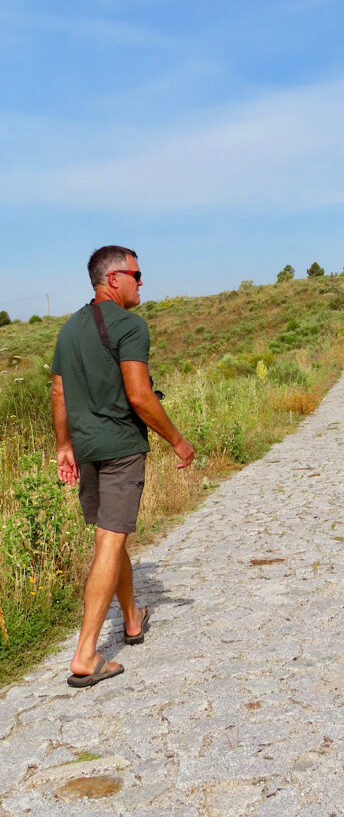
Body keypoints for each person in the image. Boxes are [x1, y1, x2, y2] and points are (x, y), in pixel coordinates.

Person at [51, 245, 194, 687]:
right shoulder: (131, 326)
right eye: (136, 273)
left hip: (89, 450)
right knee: (110, 543)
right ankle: (85, 654)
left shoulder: (69, 329)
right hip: (120, 449)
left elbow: (59, 394)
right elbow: (139, 395)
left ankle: (132, 618)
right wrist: (177, 440)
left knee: (110, 536)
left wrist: (63, 446)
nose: (141, 281)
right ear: (113, 279)